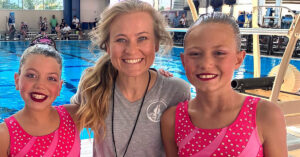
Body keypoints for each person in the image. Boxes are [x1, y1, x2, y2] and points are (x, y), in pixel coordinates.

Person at [70, 0, 190, 156]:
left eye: (142, 38)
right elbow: (62, 124)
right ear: (107, 46)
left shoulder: (175, 91)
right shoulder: (93, 85)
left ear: (156, 44)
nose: (131, 50)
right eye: (120, 40)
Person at [161, 12, 287, 157]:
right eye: (195, 54)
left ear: (238, 59)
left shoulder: (265, 115)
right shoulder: (172, 120)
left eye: (219, 53)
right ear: (183, 61)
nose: (206, 64)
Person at [0, 36, 80, 157]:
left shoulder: (73, 116)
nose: (40, 85)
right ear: (17, 81)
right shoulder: (4, 135)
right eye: (31, 75)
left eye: (51, 78)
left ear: (59, 87)